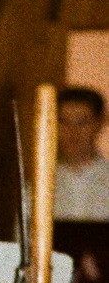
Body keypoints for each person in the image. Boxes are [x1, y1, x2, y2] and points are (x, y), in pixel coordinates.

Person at [55, 86, 109, 220]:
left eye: (82, 123)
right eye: (64, 122)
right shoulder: (40, 187)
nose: (72, 132)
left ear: (99, 124)